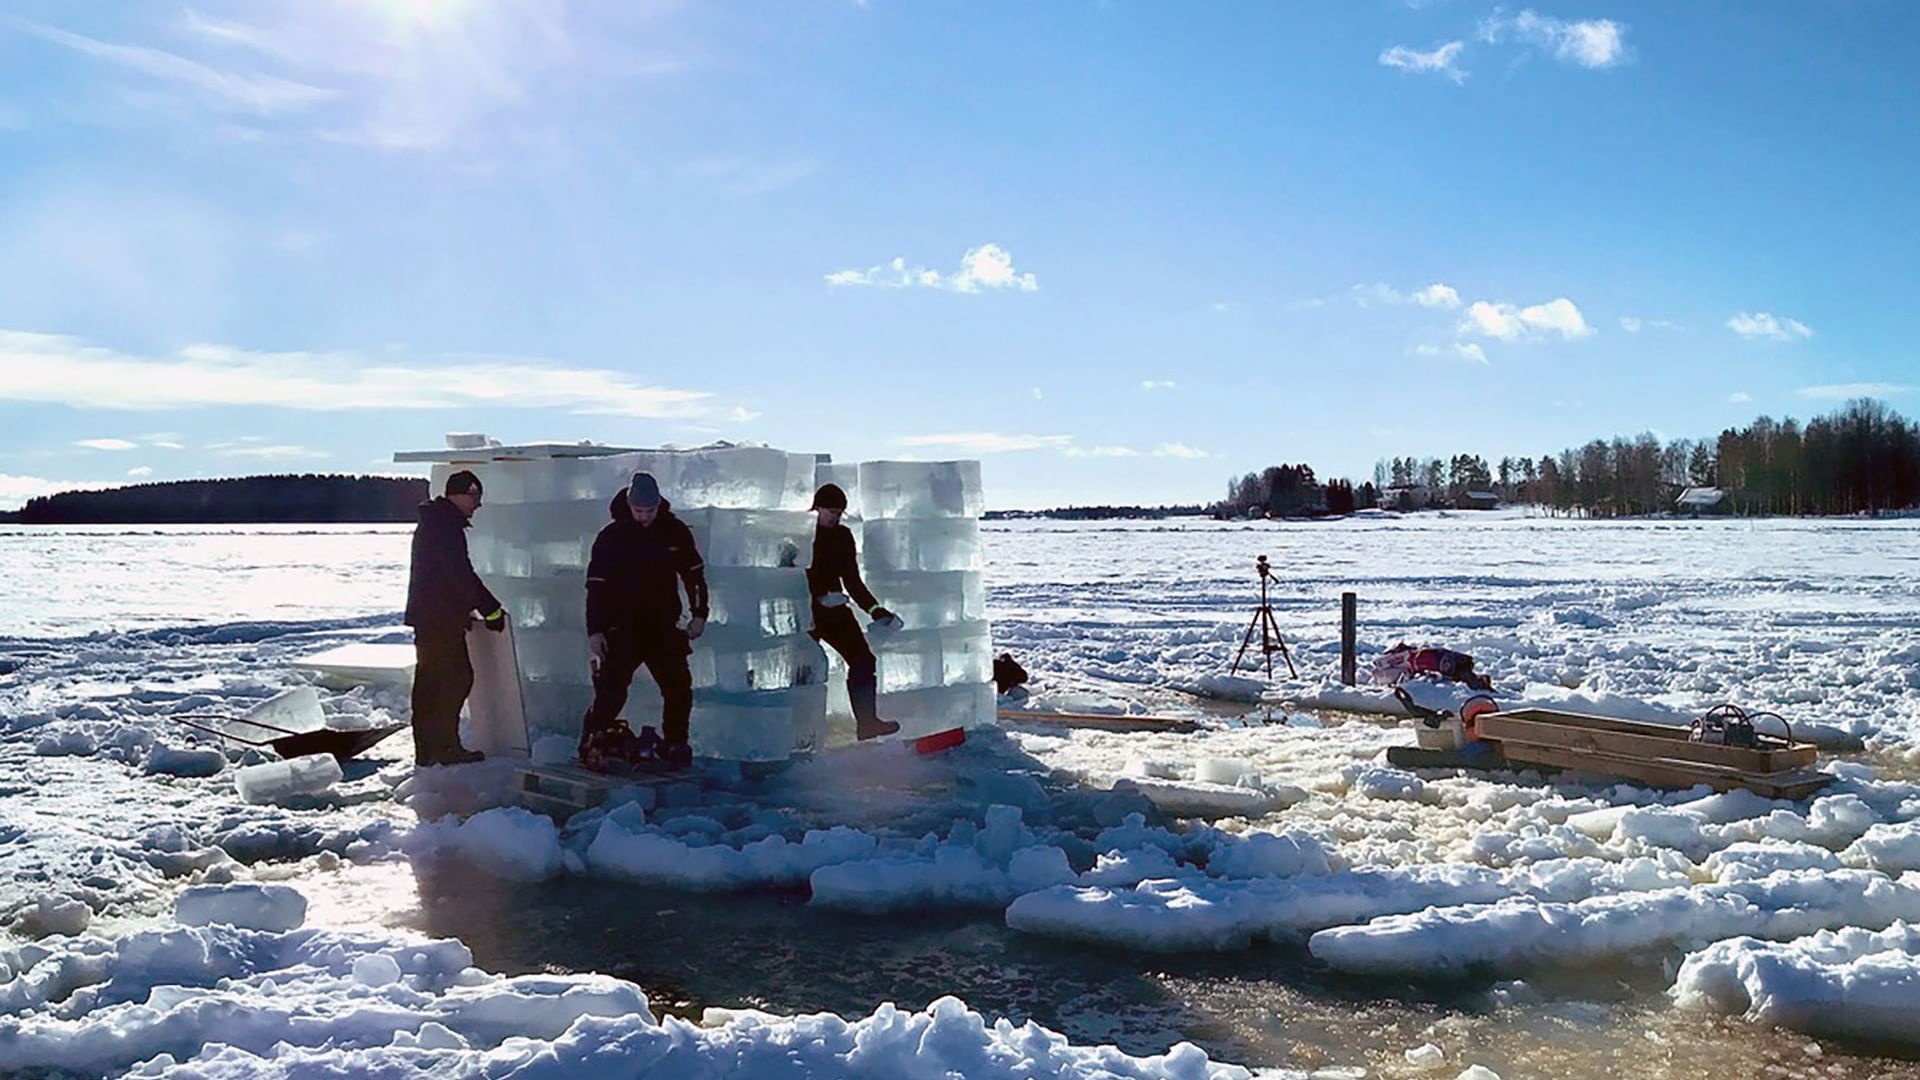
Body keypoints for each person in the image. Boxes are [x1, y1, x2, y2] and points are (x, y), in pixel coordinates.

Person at [579, 471, 709, 770]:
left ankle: (676, 743)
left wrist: (700, 613)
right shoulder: (611, 537)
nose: (644, 517)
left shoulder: (674, 532)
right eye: (639, 511)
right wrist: (595, 630)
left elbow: (694, 576)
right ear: (629, 505)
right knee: (611, 690)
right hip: (622, 626)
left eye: (650, 511)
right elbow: (596, 587)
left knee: (678, 687)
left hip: (662, 626)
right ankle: (593, 740)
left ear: (658, 505)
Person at [403, 469, 506, 767]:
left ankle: (428, 750)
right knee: (455, 678)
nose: (478, 504)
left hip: (432, 616)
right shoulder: (444, 527)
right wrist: (491, 609)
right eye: (475, 496)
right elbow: (460, 575)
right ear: (460, 494)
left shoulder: (436, 523)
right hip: (440, 619)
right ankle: (445, 747)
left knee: (431, 681)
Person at [805, 483, 901, 740]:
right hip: (804, 613)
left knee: (864, 661)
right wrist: (817, 596)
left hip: (835, 610)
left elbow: (852, 580)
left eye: (839, 513)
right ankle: (800, 733)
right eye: (831, 512)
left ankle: (868, 724)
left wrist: (875, 610)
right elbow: (789, 573)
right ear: (817, 508)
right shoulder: (802, 533)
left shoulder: (843, 536)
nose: (835, 518)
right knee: (804, 670)